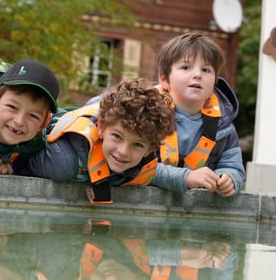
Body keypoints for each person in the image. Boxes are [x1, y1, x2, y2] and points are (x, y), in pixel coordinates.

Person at [21, 77, 175, 204]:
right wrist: (88, 178)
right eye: (117, 136)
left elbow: (153, 173)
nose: (123, 151)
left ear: (149, 149)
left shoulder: (139, 161)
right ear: (101, 127)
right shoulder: (62, 162)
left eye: (138, 144)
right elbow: (21, 165)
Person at [152, 33, 245, 196]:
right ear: (164, 79)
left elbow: (233, 166)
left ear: (215, 81)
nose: (197, 74)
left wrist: (228, 178)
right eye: (186, 67)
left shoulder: (224, 123)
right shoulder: (147, 114)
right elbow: (135, 166)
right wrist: (185, 177)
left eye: (206, 69)